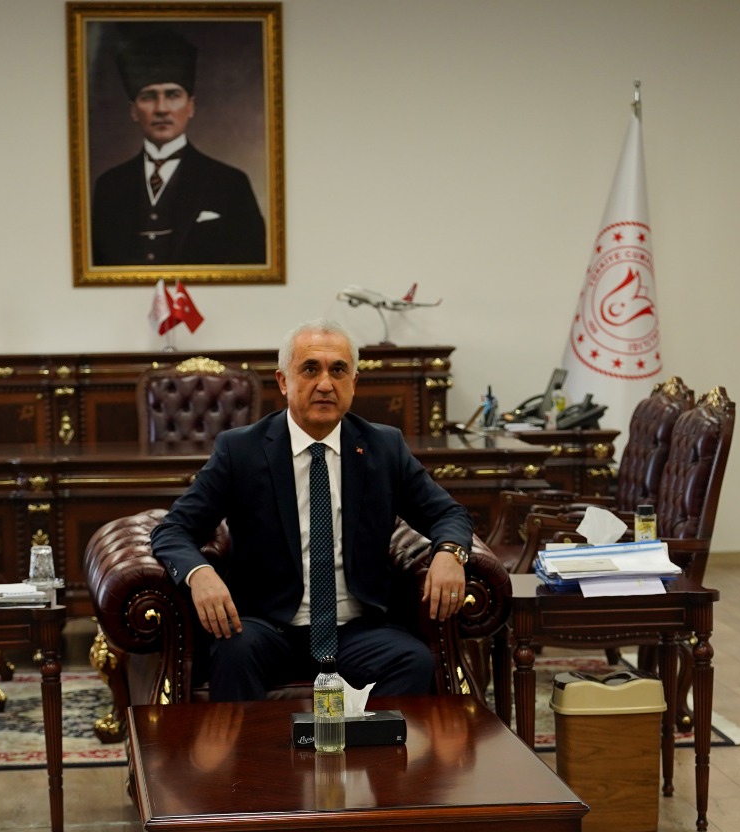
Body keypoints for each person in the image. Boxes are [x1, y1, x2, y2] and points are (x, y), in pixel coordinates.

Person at [150, 319, 474, 702]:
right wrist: (199, 574)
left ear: (353, 382)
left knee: (414, 661)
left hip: (356, 629)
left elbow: (448, 515)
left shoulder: (383, 447)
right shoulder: (241, 451)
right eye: (310, 369)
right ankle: (254, 746)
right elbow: (173, 530)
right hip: (266, 626)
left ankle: (366, 743)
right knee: (233, 653)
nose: (325, 384)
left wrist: (450, 553)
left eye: (338, 370)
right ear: (283, 381)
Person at [90, 27, 267, 267]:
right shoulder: (109, 186)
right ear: (133, 111)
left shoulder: (230, 183)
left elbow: (253, 268)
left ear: (190, 107)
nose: (162, 108)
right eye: (148, 96)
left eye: (173, 95)